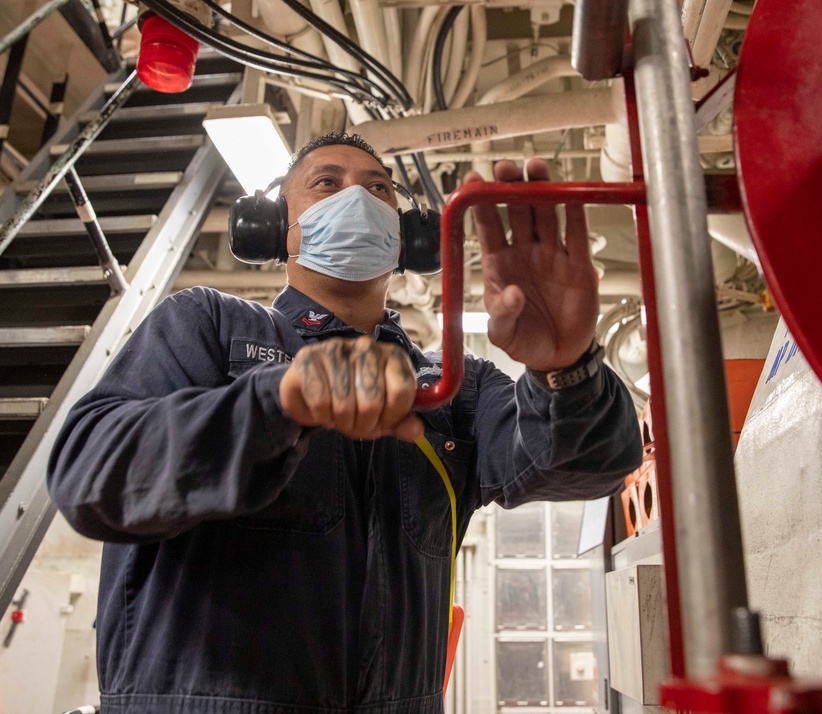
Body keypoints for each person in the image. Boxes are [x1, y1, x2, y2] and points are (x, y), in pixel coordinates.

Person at [47, 132, 642, 714]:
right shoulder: (207, 326)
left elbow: (595, 466)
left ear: (408, 239)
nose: (356, 198)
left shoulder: (452, 387)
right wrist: (276, 401)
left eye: (378, 189)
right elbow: (88, 475)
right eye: (326, 184)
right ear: (276, 226)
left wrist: (569, 363)